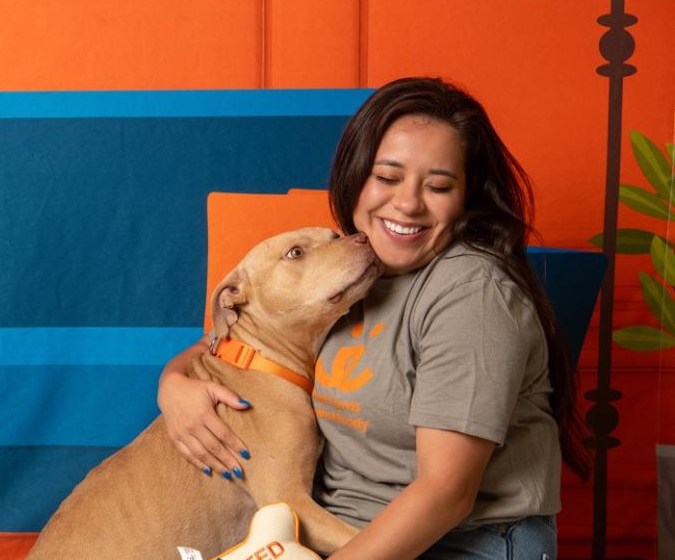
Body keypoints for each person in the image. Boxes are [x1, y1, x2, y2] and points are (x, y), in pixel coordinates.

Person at [157, 77, 589, 559]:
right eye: (387, 177)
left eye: (439, 186)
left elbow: (445, 494)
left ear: (466, 197)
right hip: (341, 535)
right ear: (356, 174)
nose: (407, 203)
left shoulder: (472, 295)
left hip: (458, 542)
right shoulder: (353, 268)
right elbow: (244, 335)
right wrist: (174, 383)